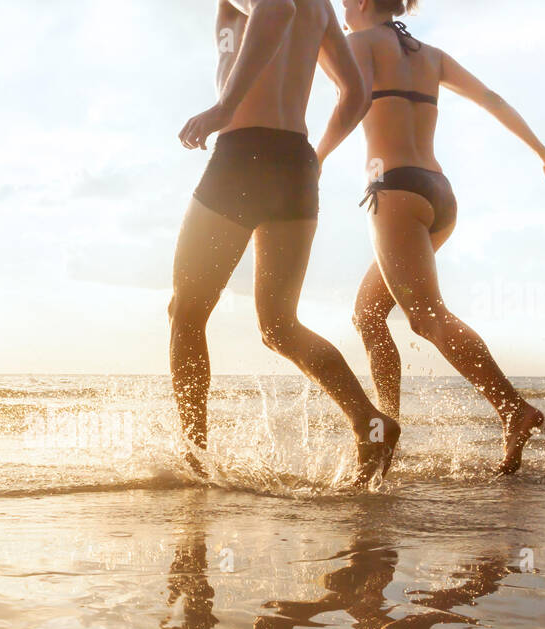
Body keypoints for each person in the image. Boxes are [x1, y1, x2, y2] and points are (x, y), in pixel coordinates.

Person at [171, 0, 399, 485]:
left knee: (187, 311)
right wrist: (316, 157)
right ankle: (369, 422)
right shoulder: (319, 5)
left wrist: (223, 109)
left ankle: (195, 459)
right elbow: (356, 91)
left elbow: (275, 8)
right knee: (278, 325)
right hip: (294, 163)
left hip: (242, 157)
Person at [340, 0, 545, 474]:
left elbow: (309, 63)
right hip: (439, 196)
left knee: (426, 317)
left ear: (363, 2)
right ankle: (387, 428)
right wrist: (544, 154)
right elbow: (492, 99)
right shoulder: (432, 55)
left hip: (397, 192)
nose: (340, 6)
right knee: (368, 314)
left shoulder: (357, 44)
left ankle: (512, 409)